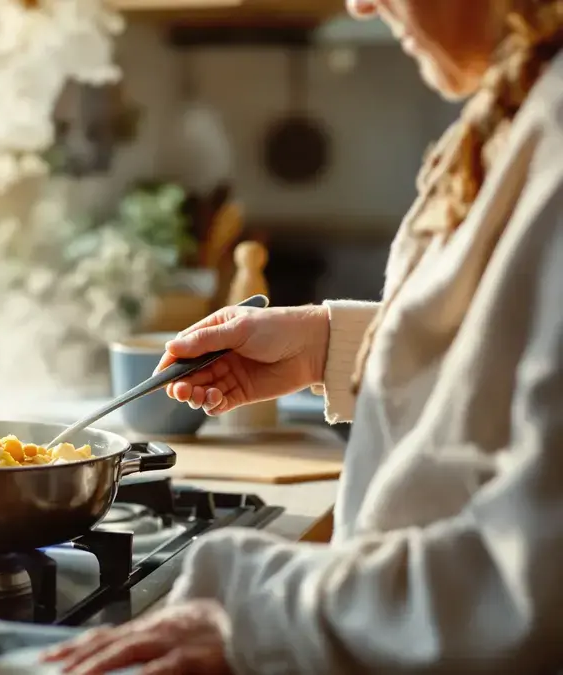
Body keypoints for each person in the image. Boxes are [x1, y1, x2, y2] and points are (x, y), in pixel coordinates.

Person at [42, 1, 563, 673]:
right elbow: (503, 348)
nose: (359, 5)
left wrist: (257, 608)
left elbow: (525, 585)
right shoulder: (526, 106)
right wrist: (326, 345)